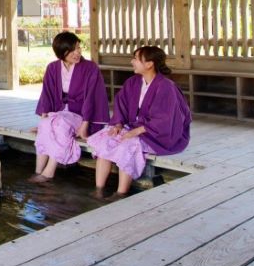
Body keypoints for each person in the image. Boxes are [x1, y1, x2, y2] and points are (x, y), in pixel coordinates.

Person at [88, 45, 191, 196]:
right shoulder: (133, 82)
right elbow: (121, 105)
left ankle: (120, 193)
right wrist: (118, 124)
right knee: (107, 140)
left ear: (149, 64)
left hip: (159, 135)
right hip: (134, 128)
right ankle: (99, 189)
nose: (132, 62)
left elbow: (166, 118)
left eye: (136, 59)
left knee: (127, 145)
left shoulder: (166, 87)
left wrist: (137, 131)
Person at [31, 31, 109, 181]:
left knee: (61, 125)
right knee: (46, 126)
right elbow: (46, 93)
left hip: (82, 115)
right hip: (59, 112)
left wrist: (84, 126)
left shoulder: (90, 68)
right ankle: (38, 170)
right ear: (61, 52)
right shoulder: (53, 67)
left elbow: (92, 98)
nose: (77, 53)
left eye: (79, 48)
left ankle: (49, 171)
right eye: (72, 50)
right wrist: (43, 119)